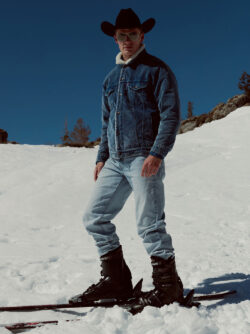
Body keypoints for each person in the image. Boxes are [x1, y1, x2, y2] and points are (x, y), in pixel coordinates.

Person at [69, 8, 183, 308]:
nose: (127, 40)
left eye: (133, 34)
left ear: (141, 36)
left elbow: (171, 115)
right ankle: (117, 280)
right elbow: (106, 122)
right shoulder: (109, 79)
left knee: (149, 224)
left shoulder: (156, 70)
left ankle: (168, 287)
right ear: (115, 39)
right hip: (115, 161)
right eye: (122, 36)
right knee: (94, 217)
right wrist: (101, 156)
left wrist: (157, 152)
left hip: (143, 157)